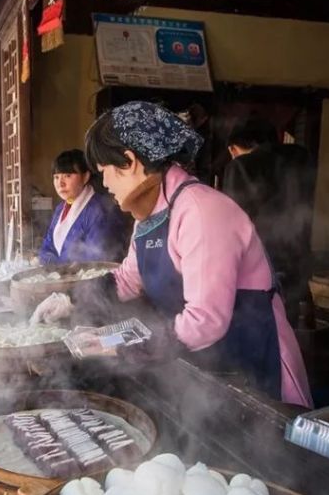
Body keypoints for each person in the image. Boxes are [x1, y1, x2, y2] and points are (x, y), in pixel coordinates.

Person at [78, 101, 312, 407]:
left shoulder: (201, 211)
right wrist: (72, 298)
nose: (104, 183)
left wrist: (123, 348)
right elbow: (127, 279)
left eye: (103, 171)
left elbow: (205, 321)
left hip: (251, 364)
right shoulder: (151, 216)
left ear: (129, 161)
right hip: (204, 368)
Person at [223, 118, 317, 321]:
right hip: (297, 260)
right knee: (288, 325)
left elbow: (232, 225)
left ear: (233, 149)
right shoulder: (301, 159)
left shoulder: (240, 167)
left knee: (261, 329)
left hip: (259, 266)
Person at [39, 149, 128, 264]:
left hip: (95, 280)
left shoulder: (102, 210)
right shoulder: (60, 209)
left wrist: (58, 267)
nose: (60, 183)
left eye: (68, 175)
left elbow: (96, 256)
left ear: (85, 177)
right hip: (63, 278)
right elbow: (47, 247)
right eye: (56, 177)